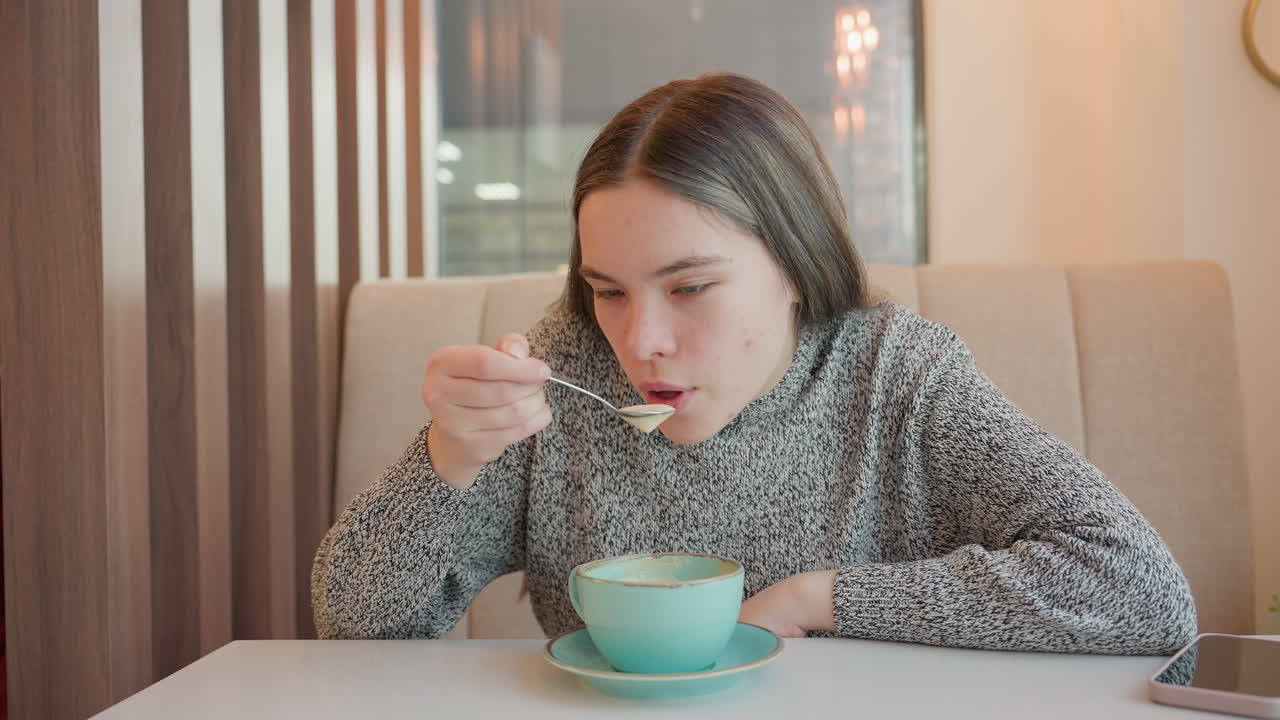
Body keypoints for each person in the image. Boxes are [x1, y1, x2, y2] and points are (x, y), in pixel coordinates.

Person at [311, 72, 1196, 653]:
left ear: (796, 271)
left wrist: (817, 600)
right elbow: (354, 626)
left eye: (690, 287)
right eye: (609, 290)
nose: (640, 340)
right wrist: (447, 459)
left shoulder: (897, 375)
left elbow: (1142, 588)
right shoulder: (564, 375)